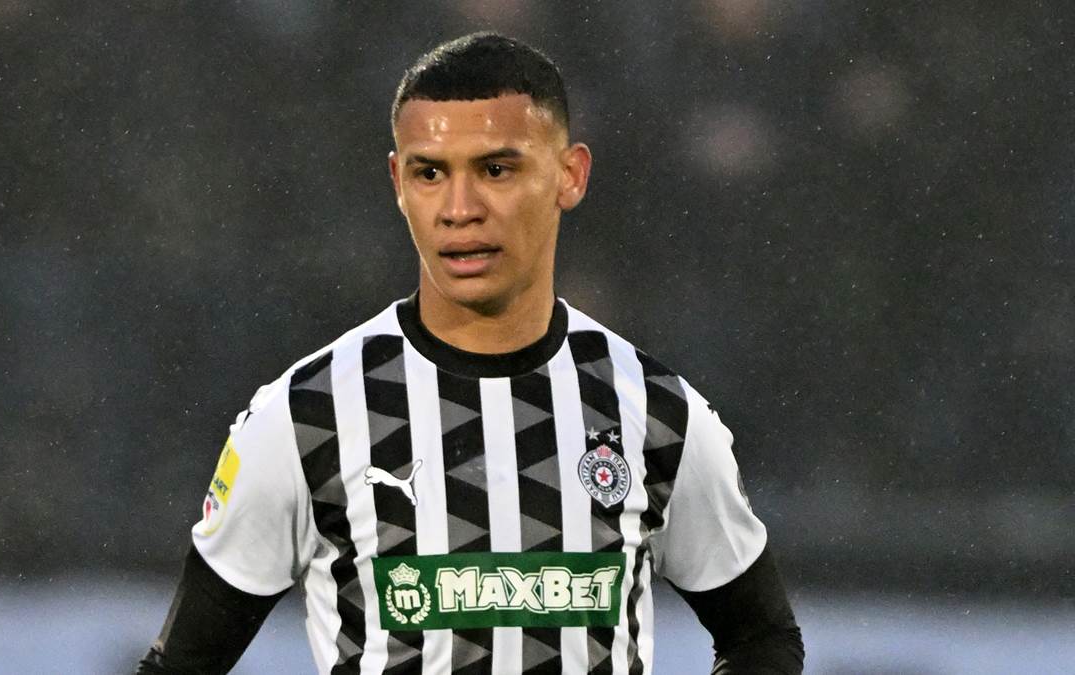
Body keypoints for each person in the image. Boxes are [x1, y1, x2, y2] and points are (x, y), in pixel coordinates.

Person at [139, 32, 804, 674]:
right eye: (431, 172)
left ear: (570, 175)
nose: (460, 208)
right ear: (398, 183)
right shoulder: (308, 415)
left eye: (496, 169)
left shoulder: (657, 411)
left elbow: (762, 640)